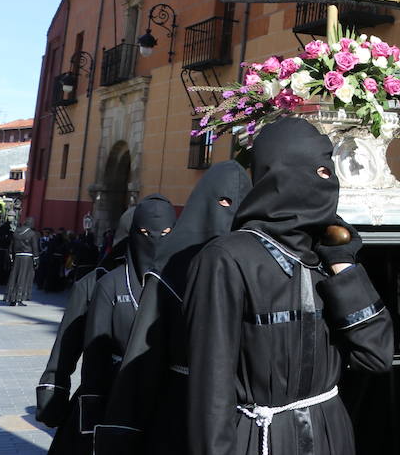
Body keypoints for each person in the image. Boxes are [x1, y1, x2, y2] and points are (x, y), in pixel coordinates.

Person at [185, 117, 394, 455]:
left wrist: (343, 266)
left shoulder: (328, 255)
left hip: (330, 435)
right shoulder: (226, 259)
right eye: (321, 171)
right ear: (286, 172)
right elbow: (211, 391)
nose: (331, 182)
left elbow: (376, 357)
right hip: (262, 438)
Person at [95, 161, 252, 455]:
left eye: (238, 205)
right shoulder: (170, 268)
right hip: (180, 402)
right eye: (223, 202)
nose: (229, 213)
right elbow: (144, 355)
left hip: (243, 411)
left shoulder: (256, 265)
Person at [80, 195, 177, 439]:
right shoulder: (109, 285)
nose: (155, 240)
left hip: (166, 396)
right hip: (118, 392)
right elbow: (95, 354)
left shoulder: (182, 285)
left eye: (166, 233)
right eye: (145, 232)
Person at [36, 209, 133, 455]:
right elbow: (66, 346)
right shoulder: (92, 283)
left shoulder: (167, 284)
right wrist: (53, 391)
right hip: (100, 393)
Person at [5, 216, 38, 306]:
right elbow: (35, 248)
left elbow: (11, 247)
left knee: (14, 277)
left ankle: (11, 298)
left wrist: (11, 257)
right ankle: (19, 298)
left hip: (17, 257)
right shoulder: (32, 233)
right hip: (27, 258)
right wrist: (36, 260)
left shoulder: (16, 233)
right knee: (24, 277)